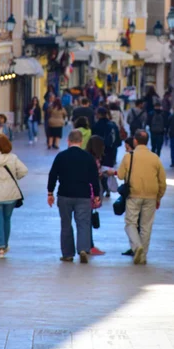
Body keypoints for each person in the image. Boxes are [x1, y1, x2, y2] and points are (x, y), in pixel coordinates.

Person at [47, 129, 101, 263]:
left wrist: (50, 193)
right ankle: (83, 249)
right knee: (83, 223)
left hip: (64, 194)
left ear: (68, 141)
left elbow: (53, 175)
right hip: (83, 195)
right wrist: (96, 195)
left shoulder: (61, 156)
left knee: (66, 224)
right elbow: (94, 177)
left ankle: (67, 254)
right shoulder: (88, 157)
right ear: (82, 141)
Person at [117, 129, 166, 265]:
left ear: (135, 141)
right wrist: (159, 197)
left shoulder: (129, 156)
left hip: (134, 194)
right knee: (146, 225)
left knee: (130, 223)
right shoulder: (155, 157)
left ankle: (137, 246)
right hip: (151, 195)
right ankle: (143, 255)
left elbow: (120, 175)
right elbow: (162, 181)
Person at [85, 135, 106, 256]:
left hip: (85, 189)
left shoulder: (85, 156)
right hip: (92, 190)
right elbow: (94, 175)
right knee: (87, 219)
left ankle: (88, 244)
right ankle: (89, 245)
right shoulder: (94, 159)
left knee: (85, 218)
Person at [92, 107, 121, 175]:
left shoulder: (96, 126)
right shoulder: (113, 124)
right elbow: (117, 139)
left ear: (98, 115)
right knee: (109, 170)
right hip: (111, 150)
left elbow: (94, 140)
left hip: (100, 151)